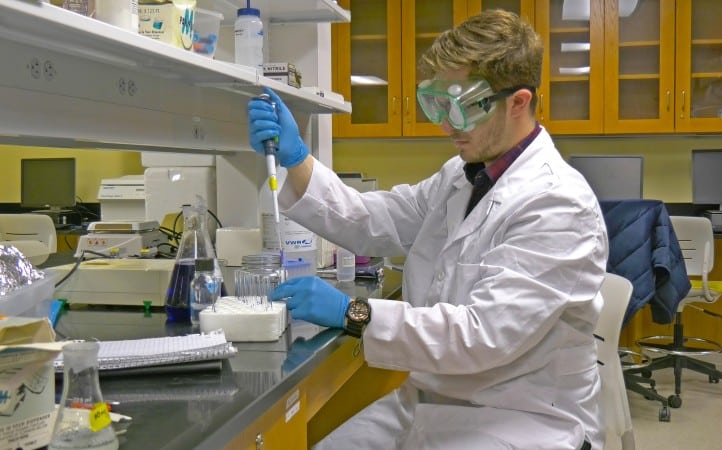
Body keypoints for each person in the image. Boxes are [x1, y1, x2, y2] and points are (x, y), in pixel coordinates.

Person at [247, 9, 608, 450]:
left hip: (524, 417)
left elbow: (479, 337)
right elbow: (371, 219)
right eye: (437, 103)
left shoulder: (558, 205)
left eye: (462, 107)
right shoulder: (461, 174)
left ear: (518, 101)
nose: (445, 124)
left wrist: (351, 312)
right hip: (429, 403)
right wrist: (297, 158)